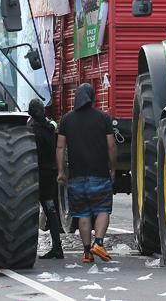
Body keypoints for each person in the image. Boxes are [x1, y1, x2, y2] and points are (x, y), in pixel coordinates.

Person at [57, 83, 116, 264]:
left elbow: (60, 147)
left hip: (76, 176)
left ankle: (86, 252)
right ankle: (98, 243)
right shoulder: (103, 118)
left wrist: (60, 171)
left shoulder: (66, 120)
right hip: (99, 174)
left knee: (82, 213)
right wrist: (113, 168)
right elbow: (111, 145)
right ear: (93, 97)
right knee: (102, 209)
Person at [28, 98, 64, 259]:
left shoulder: (33, 130)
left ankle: (30, 247)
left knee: (32, 210)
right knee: (51, 209)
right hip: (51, 172)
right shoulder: (51, 127)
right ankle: (57, 246)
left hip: (37, 173)